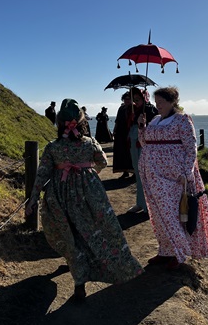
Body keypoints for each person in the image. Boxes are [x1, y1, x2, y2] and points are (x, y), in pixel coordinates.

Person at [25, 99, 143, 301]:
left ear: (60, 123)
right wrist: (88, 173)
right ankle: (120, 266)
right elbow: (103, 162)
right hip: (90, 192)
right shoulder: (89, 142)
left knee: (67, 232)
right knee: (96, 229)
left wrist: (33, 199)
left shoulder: (53, 147)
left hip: (59, 194)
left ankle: (79, 280)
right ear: (80, 123)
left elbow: (42, 174)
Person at [138, 86, 208, 270]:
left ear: (172, 101)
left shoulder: (182, 120)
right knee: (158, 214)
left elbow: (191, 148)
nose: (158, 106)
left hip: (174, 177)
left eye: (161, 102)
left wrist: (186, 173)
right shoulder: (155, 120)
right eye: (156, 102)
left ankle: (179, 252)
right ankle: (165, 251)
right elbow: (145, 143)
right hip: (152, 175)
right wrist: (142, 127)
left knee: (174, 215)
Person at [127, 88, 158, 213]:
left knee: (147, 175)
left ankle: (148, 206)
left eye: (138, 99)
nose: (135, 102)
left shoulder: (151, 110)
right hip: (134, 142)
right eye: (134, 99)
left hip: (147, 145)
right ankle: (140, 203)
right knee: (138, 173)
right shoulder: (133, 110)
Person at [112, 92, 134, 179]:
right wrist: (114, 130)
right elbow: (117, 121)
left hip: (129, 132)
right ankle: (125, 172)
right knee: (122, 152)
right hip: (120, 133)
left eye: (128, 99)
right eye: (125, 99)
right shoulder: (121, 108)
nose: (127, 101)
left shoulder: (133, 108)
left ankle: (134, 172)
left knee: (130, 152)